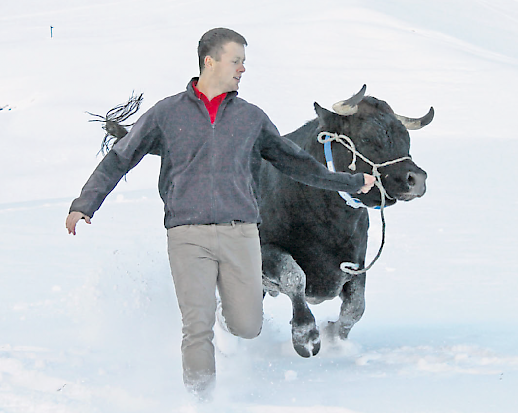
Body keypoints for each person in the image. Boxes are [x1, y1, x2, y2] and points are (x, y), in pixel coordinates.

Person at [65, 27, 375, 396]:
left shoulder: (251, 119)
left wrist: (351, 184)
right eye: (236, 60)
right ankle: (201, 399)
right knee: (197, 325)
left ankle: (232, 326)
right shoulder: (166, 114)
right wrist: (85, 203)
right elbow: (120, 158)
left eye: (244, 61)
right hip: (187, 234)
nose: (243, 68)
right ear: (209, 62)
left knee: (247, 325)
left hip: (241, 232)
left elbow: (298, 165)